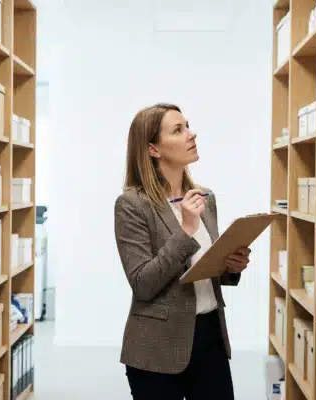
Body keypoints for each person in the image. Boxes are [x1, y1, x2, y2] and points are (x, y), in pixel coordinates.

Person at [114, 103, 250, 400]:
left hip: (210, 337)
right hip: (157, 348)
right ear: (153, 149)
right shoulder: (131, 205)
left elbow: (204, 270)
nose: (191, 133)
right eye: (178, 129)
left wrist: (232, 267)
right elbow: (143, 284)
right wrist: (186, 230)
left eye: (187, 125)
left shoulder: (204, 198)